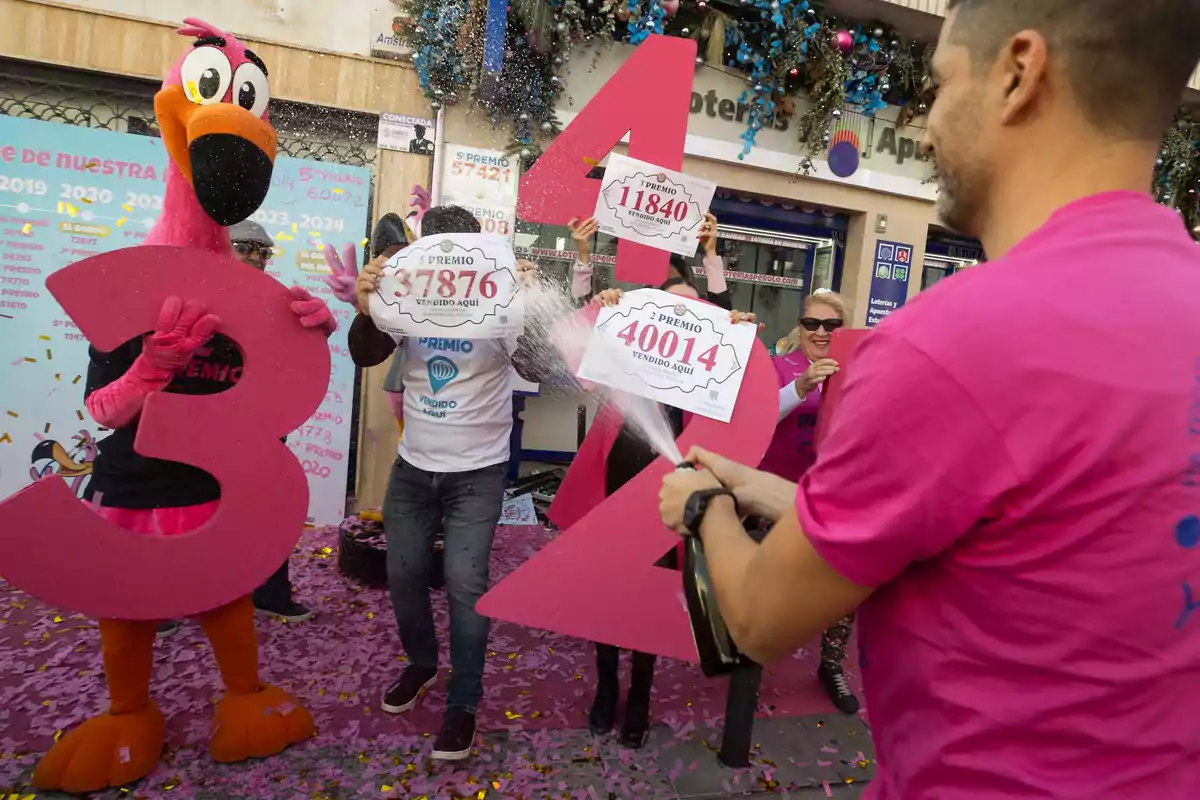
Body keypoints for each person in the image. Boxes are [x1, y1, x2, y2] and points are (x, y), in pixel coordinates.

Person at [657, 1, 1200, 797]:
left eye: (940, 85)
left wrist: (702, 505)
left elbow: (759, 619)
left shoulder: (952, 341)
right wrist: (752, 485)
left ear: (1019, 73)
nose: (924, 126)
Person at [554, 218, 753, 747]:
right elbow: (578, 330)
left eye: (696, 311)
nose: (686, 318)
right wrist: (584, 260)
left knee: (650, 594)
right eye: (676, 308)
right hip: (612, 484)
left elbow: (729, 335)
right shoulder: (626, 351)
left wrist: (713, 260)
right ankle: (605, 688)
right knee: (607, 590)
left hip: (671, 494)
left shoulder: (708, 377)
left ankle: (638, 695)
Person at [349, 205, 539, 761]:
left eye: (454, 250)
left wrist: (523, 304)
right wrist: (367, 305)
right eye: (432, 251)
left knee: (465, 584)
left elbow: (540, 368)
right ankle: (423, 665)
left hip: (476, 473)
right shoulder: (404, 292)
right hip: (413, 468)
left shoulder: (499, 294)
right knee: (403, 576)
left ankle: (464, 703)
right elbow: (366, 353)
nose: (442, 263)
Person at [758, 290, 857, 714]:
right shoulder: (779, 367)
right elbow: (759, 417)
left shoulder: (858, 370)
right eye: (812, 323)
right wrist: (799, 386)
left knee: (841, 588)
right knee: (770, 584)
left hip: (836, 495)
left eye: (831, 325)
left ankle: (831, 664)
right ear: (800, 326)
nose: (820, 332)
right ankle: (753, 663)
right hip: (778, 490)